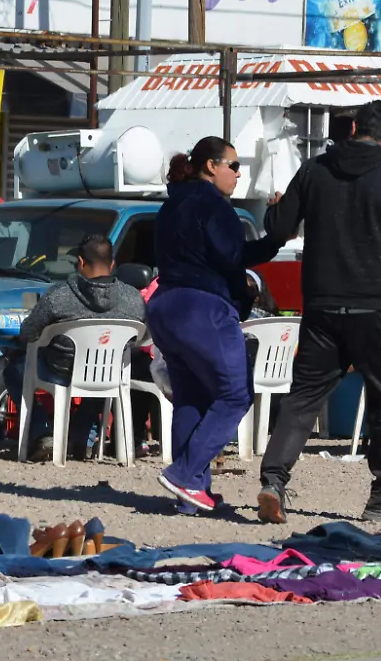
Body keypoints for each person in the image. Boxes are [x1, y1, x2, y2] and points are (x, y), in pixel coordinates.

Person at [258, 100, 381, 525]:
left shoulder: (314, 170)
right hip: (378, 307)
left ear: (352, 126)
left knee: (304, 396)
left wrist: (274, 207)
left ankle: (273, 480)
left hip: (322, 305)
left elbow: (280, 229)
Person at [148, 136, 281, 513]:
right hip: (201, 309)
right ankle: (184, 474)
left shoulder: (170, 205)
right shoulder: (214, 205)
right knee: (235, 395)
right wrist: (273, 239)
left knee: (191, 397)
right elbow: (232, 258)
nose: (239, 174)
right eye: (234, 166)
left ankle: (191, 497)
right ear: (211, 166)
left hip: (166, 306)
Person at [4, 235, 146, 462]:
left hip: (59, 370)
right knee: (101, 367)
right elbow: (139, 340)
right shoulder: (134, 299)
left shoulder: (59, 296)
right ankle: (84, 437)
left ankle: (42, 432)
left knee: (15, 369)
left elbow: (28, 333)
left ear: (80, 262)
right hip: (109, 373)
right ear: (112, 264)